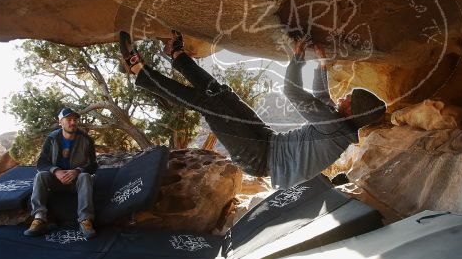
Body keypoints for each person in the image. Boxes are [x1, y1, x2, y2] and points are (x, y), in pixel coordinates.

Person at [119, 31, 386, 189]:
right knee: (222, 94)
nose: (343, 97)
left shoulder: (333, 126)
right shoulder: (337, 125)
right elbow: (322, 98)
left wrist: (296, 58)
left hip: (260, 158)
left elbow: (292, 91)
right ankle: (178, 56)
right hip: (267, 141)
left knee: (213, 106)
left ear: (352, 113)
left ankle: (140, 72)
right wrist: (322, 67)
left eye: (348, 98)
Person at [26, 107, 98, 238]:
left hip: (76, 182)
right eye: (69, 119)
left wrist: (77, 171)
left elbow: (93, 165)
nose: (73, 123)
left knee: (85, 176)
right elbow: (41, 163)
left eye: (75, 119)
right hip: (55, 181)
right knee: (40, 175)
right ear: (61, 122)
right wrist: (56, 171)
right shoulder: (52, 139)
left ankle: (85, 220)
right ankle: (39, 218)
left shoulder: (86, 140)